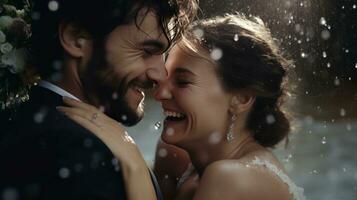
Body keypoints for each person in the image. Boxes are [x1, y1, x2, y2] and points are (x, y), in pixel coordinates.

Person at [56, 14, 305, 200]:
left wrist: (134, 164)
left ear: (241, 99)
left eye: (183, 82)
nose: (160, 92)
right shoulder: (175, 156)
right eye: (165, 78)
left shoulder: (232, 179)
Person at [0, 0, 197, 199]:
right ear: (76, 38)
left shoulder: (17, 121)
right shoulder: (81, 154)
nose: (160, 75)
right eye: (147, 51)